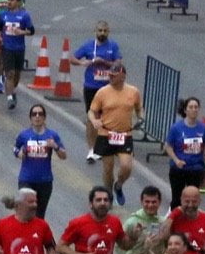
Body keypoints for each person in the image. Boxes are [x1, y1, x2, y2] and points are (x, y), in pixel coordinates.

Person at [87, 63, 143, 206]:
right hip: (106, 133)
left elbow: (139, 109)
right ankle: (108, 194)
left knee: (126, 166)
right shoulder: (102, 92)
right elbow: (91, 111)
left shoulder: (133, 92)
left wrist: (141, 118)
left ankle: (118, 185)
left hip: (125, 134)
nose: (110, 78)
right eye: (109, 76)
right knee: (108, 168)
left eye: (113, 76)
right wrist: (94, 121)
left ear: (122, 77)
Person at [72, 23, 123, 162]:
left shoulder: (113, 46)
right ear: (95, 31)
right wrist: (84, 63)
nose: (102, 33)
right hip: (91, 86)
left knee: (108, 117)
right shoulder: (88, 45)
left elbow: (118, 64)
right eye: (100, 30)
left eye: (105, 31)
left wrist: (105, 63)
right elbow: (73, 58)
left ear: (109, 31)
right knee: (91, 117)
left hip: (108, 88)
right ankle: (91, 149)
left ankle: (108, 145)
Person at [13, 102, 68, 218]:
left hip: (45, 181)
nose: (37, 117)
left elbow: (64, 156)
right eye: (34, 114)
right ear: (30, 118)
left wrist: (55, 146)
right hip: (26, 179)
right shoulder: (24, 135)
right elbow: (15, 149)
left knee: (39, 215)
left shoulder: (52, 135)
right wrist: (21, 154)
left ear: (44, 117)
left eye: (40, 114)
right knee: (25, 212)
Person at [163, 97, 205, 206]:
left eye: (196, 107)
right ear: (185, 110)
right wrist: (176, 160)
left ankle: (189, 221)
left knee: (192, 199)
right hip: (179, 169)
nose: (194, 109)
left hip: (196, 169)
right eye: (191, 107)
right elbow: (168, 146)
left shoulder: (202, 128)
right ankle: (176, 219)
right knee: (177, 199)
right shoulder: (176, 128)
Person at [0, 0, 34, 109]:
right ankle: (10, 98)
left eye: (12, 0)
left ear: (18, 2)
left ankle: (13, 91)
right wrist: (0, 37)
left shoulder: (24, 15)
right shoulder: (3, 14)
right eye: (8, 0)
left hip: (19, 48)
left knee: (16, 74)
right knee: (9, 73)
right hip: (7, 48)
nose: (9, 2)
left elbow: (31, 31)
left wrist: (21, 31)